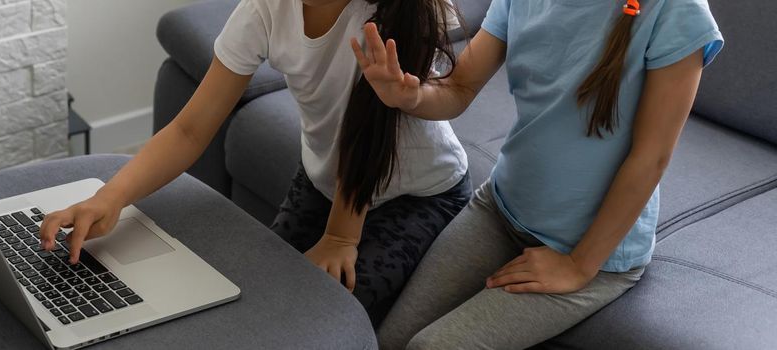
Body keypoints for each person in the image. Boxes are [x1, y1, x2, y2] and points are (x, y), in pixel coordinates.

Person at [40, 0, 470, 326]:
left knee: (328, 318)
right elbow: (190, 128)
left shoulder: (398, 16)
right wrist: (110, 197)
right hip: (325, 179)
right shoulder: (265, 8)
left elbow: (369, 139)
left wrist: (339, 237)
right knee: (255, 298)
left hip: (416, 192)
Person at [352, 0, 724, 347]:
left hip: (592, 253)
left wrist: (579, 265)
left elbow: (652, 156)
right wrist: (409, 97)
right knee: (386, 338)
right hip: (499, 209)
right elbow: (459, 87)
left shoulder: (677, 10)